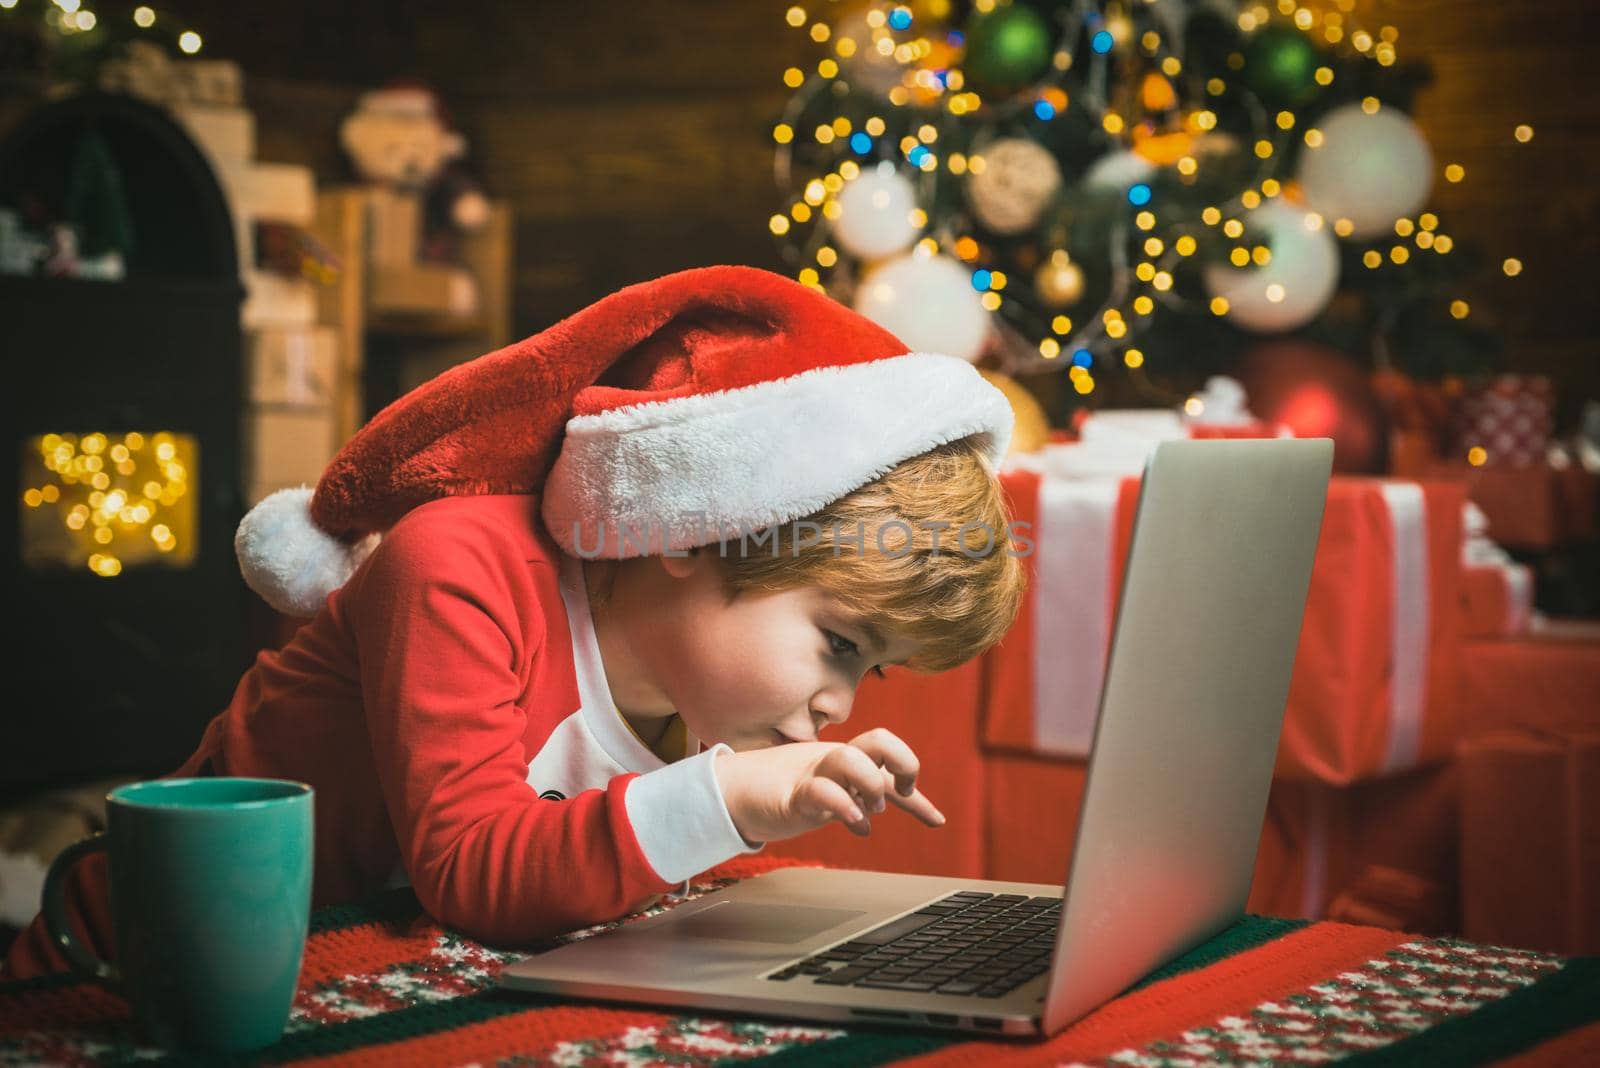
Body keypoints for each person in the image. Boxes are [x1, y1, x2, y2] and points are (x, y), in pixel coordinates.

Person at [4, 264, 1023, 977]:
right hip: (128, 974)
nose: (837, 704)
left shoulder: (685, 697)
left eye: (870, 672)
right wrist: (726, 797)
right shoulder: (457, 565)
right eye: (839, 643)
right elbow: (472, 871)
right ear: (701, 527)